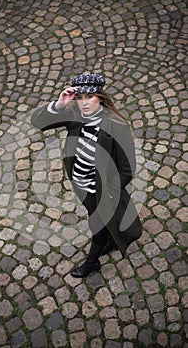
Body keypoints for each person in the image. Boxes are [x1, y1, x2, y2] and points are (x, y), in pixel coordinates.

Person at [31, 74, 142, 278]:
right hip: (78, 182)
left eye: (89, 97)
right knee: (95, 217)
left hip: (99, 189)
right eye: (79, 97)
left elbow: (127, 169)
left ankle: (92, 262)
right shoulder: (74, 114)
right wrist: (59, 104)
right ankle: (109, 240)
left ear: (100, 97)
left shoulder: (117, 127)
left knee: (96, 224)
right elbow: (38, 122)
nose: (84, 103)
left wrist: (109, 191)